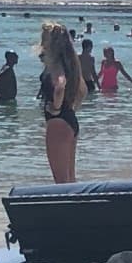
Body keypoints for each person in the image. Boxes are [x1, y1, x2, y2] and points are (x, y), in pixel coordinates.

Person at [36, 20, 88, 183]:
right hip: (70, 120)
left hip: (57, 122)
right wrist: (71, 107)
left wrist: (56, 108)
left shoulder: (57, 64)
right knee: (70, 181)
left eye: (44, 38)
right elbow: (83, 89)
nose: (41, 42)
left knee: (61, 183)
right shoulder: (70, 62)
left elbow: (59, 86)